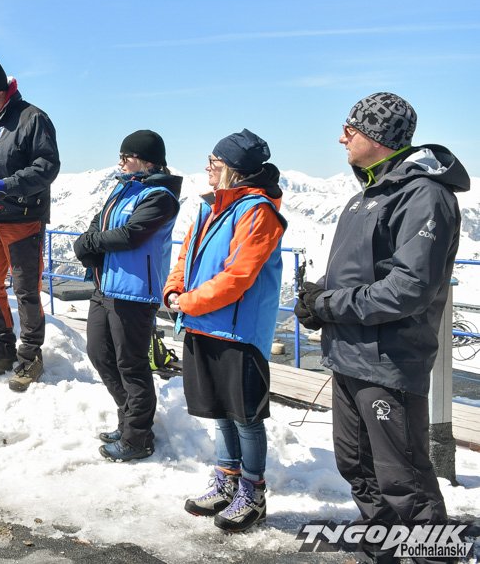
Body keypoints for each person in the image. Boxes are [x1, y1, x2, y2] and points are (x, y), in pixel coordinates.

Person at [295, 93, 469, 563]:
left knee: (404, 479)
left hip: (389, 361)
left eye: (349, 130)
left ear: (378, 136)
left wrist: (329, 304)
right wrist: (318, 296)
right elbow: (358, 272)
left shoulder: (425, 196)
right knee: (357, 465)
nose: (341, 138)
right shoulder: (367, 196)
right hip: (350, 355)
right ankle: (381, 548)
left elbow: (409, 289)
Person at [162, 129, 286, 533]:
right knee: (220, 413)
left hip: (238, 331)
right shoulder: (210, 207)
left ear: (233, 168)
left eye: (214, 163)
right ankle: (226, 480)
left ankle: (253, 492)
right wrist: (174, 290)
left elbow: (238, 277)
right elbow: (186, 256)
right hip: (204, 324)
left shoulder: (258, 211)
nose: (207, 168)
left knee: (245, 417)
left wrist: (189, 302)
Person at [73, 130, 181, 462]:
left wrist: (91, 243)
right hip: (105, 286)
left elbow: (132, 234)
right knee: (99, 353)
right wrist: (89, 238)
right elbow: (100, 220)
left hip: (135, 292)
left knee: (131, 365)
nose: (120, 162)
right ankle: (131, 419)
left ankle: (138, 437)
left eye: (126, 157)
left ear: (146, 161)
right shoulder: (124, 187)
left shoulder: (160, 197)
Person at [0, 57, 60, 392]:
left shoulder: (32, 118)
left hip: (23, 220)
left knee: (26, 290)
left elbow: (47, 166)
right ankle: (3, 349)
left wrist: (9, 185)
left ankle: (30, 356)